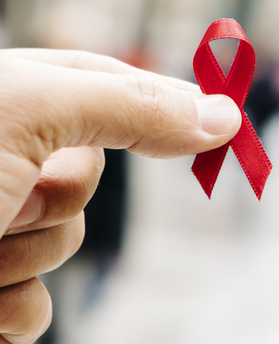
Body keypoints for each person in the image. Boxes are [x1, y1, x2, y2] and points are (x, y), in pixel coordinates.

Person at [0, 48, 241, 344]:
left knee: (60, 304)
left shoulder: (100, 129)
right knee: (56, 305)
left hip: (84, 229)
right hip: (70, 228)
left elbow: (120, 190)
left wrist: (116, 242)